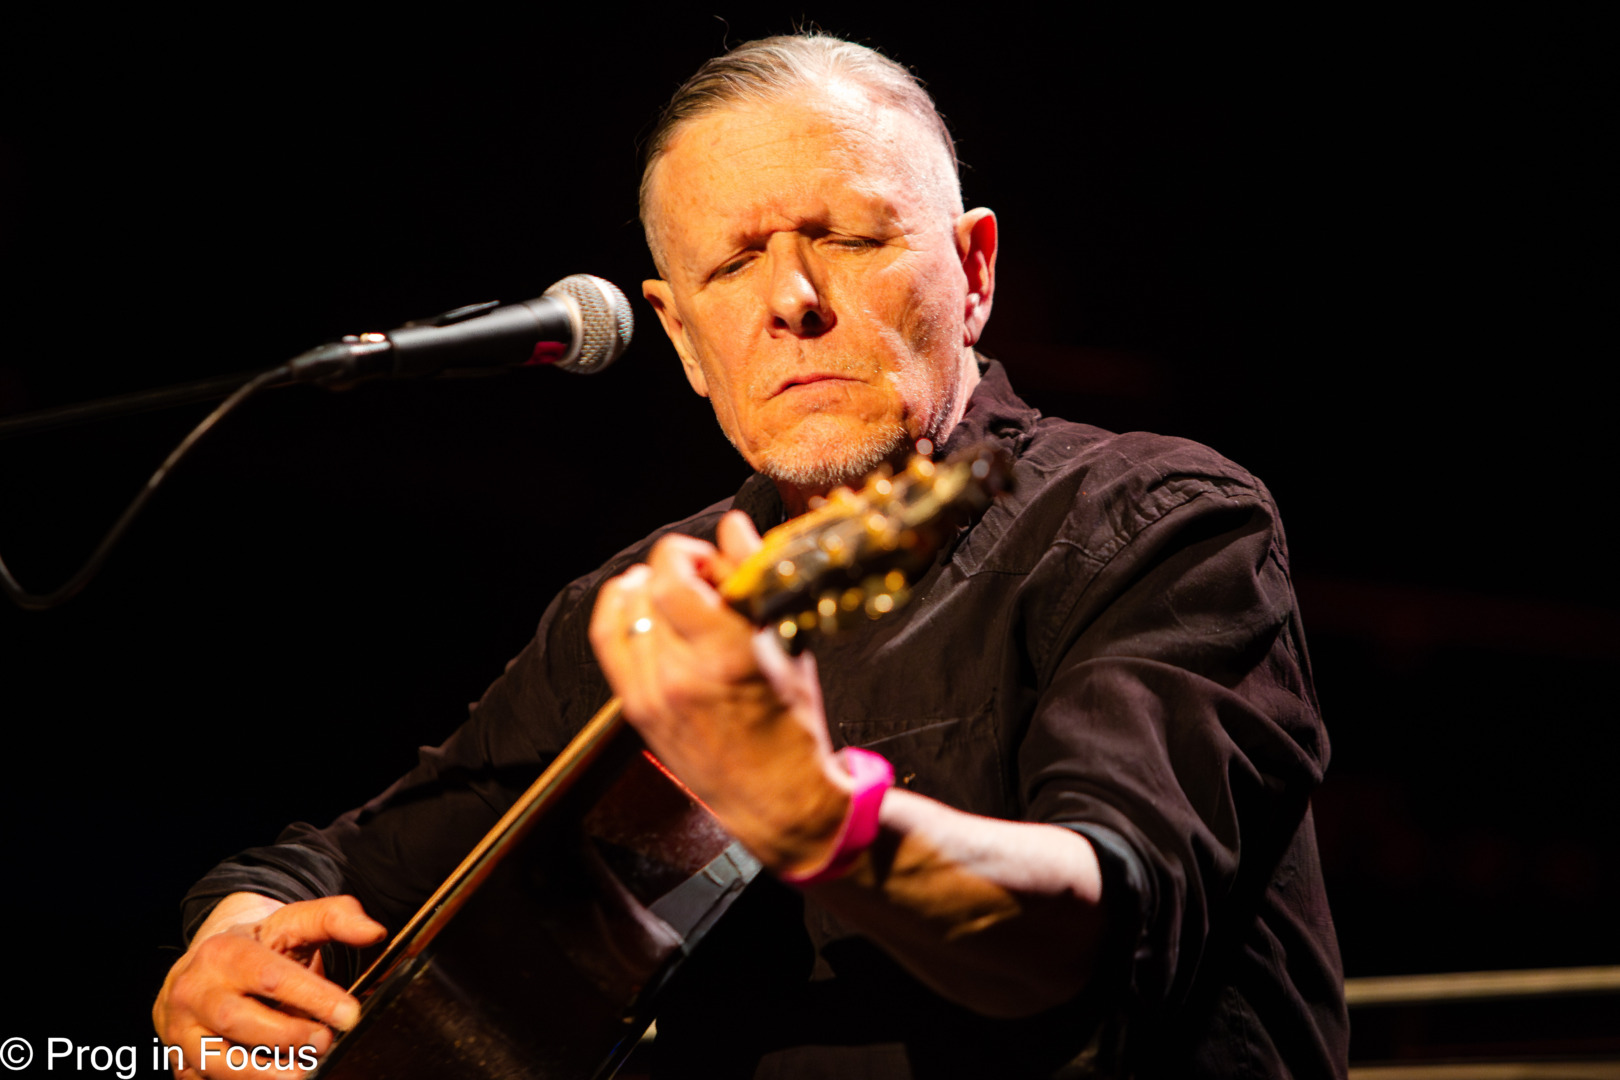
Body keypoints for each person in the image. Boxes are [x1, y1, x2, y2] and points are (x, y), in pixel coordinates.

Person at [154, 34, 1347, 1078]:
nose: (793, 300)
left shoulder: (1160, 522)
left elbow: (1099, 920)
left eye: (850, 236)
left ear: (975, 272)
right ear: (680, 337)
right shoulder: (635, 609)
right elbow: (339, 865)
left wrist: (822, 817)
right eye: (732, 265)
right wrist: (230, 941)